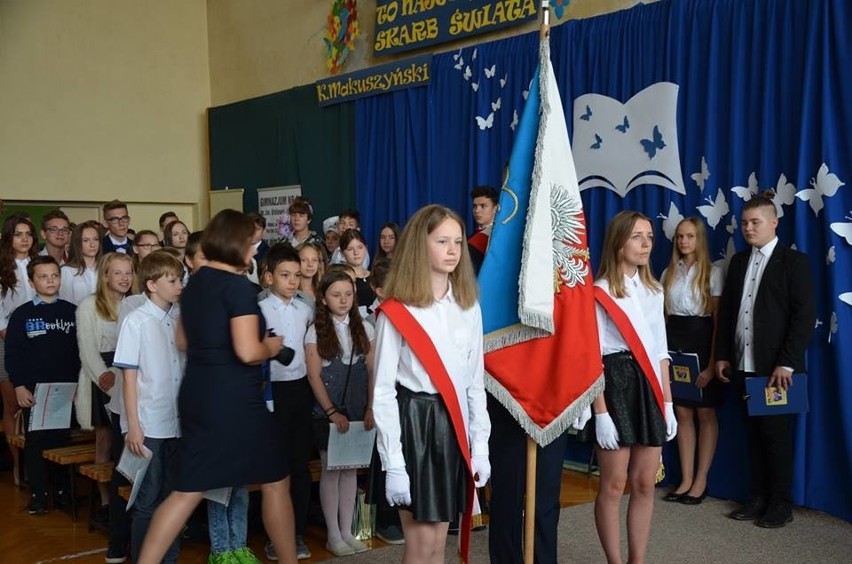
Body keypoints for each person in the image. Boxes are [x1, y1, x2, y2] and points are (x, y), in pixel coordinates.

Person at [135, 210, 297, 564]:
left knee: (187, 490)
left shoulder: (194, 285)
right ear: (234, 244)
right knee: (275, 481)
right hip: (235, 400)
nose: (254, 251)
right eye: (251, 244)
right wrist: (270, 347)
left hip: (198, 393)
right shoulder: (237, 287)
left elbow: (182, 341)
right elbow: (248, 351)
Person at [372, 204, 490, 564]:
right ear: (419, 246)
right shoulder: (397, 309)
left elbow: (474, 381)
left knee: (438, 546)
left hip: (450, 427)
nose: (454, 250)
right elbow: (382, 391)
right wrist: (393, 462)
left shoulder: (469, 306)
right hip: (414, 427)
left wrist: (480, 444)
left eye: (457, 241)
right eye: (442, 241)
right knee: (421, 547)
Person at [715, 194, 815, 528]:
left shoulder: (794, 262)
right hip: (743, 366)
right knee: (752, 434)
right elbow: (728, 311)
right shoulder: (740, 262)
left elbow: (803, 318)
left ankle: (780, 504)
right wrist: (722, 356)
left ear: (774, 223)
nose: (748, 228)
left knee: (774, 436)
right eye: (744, 222)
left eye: (755, 222)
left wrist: (786, 363)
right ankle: (757, 497)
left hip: (775, 372)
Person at [583, 210, 677, 564]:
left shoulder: (653, 291)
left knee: (643, 483)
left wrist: (668, 404)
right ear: (619, 242)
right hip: (614, 384)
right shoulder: (599, 293)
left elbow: (660, 354)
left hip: (649, 387)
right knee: (613, 484)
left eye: (650, 237)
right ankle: (615, 561)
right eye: (637, 236)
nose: (646, 244)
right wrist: (601, 412)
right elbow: (591, 357)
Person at [114, 251, 185, 563]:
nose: (179, 285)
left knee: (173, 498)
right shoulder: (135, 321)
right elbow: (129, 379)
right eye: (172, 280)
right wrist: (134, 425)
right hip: (149, 423)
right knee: (147, 499)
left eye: (181, 279)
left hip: (178, 422)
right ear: (153, 284)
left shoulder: (180, 318)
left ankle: (168, 557)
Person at [305, 270, 375, 556]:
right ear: (323, 299)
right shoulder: (315, 331)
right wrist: (332, 412)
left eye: (348, 294)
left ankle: (348, 531)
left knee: (350, 471)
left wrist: (370, 407)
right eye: (336, 294)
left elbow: (371, 370)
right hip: (328, 410)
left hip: (359, 406)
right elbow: (313, 376)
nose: (343, 300)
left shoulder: (365, 328)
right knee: (331, 470)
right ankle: (333, 535)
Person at [6, 256, 80, 515]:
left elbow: (79, 352)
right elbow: (13, 353)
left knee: (62, 440)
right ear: (31, 281)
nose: (50, 281)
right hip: (35, 392)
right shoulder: (22, 315)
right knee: (36, 443)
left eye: (54, 275)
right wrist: (19, 386)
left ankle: (62, 493)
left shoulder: (72, 311)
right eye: (43, 276)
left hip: (67, 389)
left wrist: (80, 386)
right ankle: (39, 495)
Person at [660, 218, 725, 505]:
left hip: (702, 342)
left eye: (689, 236)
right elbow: (662, 318)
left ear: (699, 239)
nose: (683, 242)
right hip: (675, 344)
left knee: (705, 413)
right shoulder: (667, 273)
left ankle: (701, 480)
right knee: (683, 412)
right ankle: (685, 479)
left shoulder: (713, 273)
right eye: (679, 237)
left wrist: (712, 365)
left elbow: (718, 324)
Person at [258, 243, 315, 561]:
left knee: (300, 467)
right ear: (268, 277)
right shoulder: (259, 311)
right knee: (275, 469)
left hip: (301, 391)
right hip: (271, 394)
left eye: (296, 275)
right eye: (285, 275)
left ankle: (298, 533)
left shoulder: (305, 309)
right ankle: (273, 537)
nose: (292, 281)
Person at [74, 253, 134, 532]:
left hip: (128, 376)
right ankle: (107, 504)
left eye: (128, 273)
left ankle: (128, 499)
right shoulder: (88, 306)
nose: (124, 278)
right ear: (106, 276)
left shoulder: (135, 304)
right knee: (104, 443)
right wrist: (105, 377)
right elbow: (86, 350)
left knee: (127, 441)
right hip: (102, 379)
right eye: (118, 273)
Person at [0, 215, 39, 486]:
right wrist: (12, 337)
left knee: (36, 404)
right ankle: (18, 467)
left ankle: (37, 466)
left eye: (28, 233)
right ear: (8, 238)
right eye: (18, 234)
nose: (24, 239)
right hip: (7, 342)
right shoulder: (3, 268)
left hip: (40, 341)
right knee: (12, 405)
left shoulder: (40, 265)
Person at [60, 220, 102, 305]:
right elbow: (65, 303)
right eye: (86, 240)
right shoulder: (67, 271)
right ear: (77, 243)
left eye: (95, 239)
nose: (92, 244)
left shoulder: (106, 268)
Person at [339, 229, 375, 312]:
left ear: (366, 248)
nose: (356, 252)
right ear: (341, 253)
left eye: (360, 247)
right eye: (350, 249)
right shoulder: (341, 279)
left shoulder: (374, 276)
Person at [468, 186, 499, 274]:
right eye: (474, 206)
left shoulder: (495, 236)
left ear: (495, 208)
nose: (477, 211)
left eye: (483, 206)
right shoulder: (473, 235)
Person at [296, 240, 325, 307]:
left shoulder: (323, 290)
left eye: (314, 260)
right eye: (304, 260)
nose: (310, 264)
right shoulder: (290, 291)